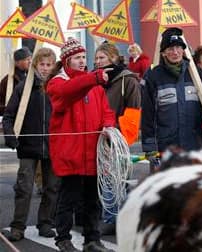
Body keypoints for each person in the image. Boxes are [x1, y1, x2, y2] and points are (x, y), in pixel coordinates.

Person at [46, 37, 115, 252]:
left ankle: (91, 240)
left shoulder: (95, 86)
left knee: (92, 200)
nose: (82, 61)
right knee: (68, 198)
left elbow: (107, 112)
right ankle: (63, 239)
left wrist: (109, 126)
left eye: (84, 57)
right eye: (77, 57)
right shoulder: (57, 83)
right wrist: (94, 78)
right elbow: (68, 92)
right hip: (70, 154)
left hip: (92, 152)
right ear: (66, 60)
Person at [1, 47, 60, 242]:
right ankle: (18, 226)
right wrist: (10, 135)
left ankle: (46, 223)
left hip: (53, 146)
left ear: (54, 66)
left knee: (52, 187)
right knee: (24, 188)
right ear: (35, 65)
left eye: (48, 65)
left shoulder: (58, 86)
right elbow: (9, 116)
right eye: (41, 64)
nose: (45, 68)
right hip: (28, 145)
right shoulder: (24, 86)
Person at [141, 27, 202, 155]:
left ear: (183, 50)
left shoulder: (197, 74)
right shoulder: (154, 76)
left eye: (178, 48)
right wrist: (150, 146)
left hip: (196, 145)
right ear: (163, 52)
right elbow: (148, 114)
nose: (175, 52)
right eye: (170, 48)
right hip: (166, 148)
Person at [94, 42, 141, 235]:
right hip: (94, 137)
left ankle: (113, 218)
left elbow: (133, 111)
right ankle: (101, 215)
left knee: (115, 179)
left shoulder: (127, 80)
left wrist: (118, 134)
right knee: (101, 179)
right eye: (96, 58)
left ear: (113, 58)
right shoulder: (95, 79)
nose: (97, 62)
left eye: (101, 58)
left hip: (115, 138)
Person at [0, 47, 32, 115]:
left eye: (30, 58)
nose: (30, 61)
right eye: (27, 59)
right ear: (17, 63)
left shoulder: (32, 77)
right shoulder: (7, 81)